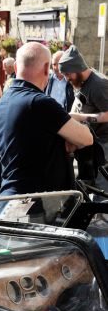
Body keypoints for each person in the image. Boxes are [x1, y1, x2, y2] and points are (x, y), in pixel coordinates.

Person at [0, 42, 92, 196]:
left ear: (17, 67)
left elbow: (33, 143)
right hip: (39, 204)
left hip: (9, 197)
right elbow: (87, 138)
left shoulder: (2, 102)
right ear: (47, 68)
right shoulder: (39, 103)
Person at [59, 45, 108, 198]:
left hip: (104, 141)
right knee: (90, 182)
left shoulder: (99, 84)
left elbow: (107, 114)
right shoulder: (80, 80)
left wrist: (79, 118)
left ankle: (102, 219)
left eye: (68, 74)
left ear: (78, 69)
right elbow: (78, 100)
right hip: (91, 140)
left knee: (102, 183)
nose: (66, 78)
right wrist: (71, 116)